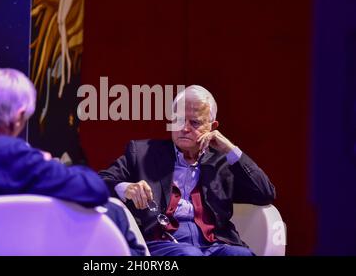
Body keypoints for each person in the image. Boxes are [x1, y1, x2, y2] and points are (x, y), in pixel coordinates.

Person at [0, 68, 145, 255]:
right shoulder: (11, 153)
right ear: (18, 116)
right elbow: (94, 189)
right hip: (4, 248)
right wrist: (47, 163)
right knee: (113, 216)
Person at [99, 85, 276, 256]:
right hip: (163, 245)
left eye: (195, 123)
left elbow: (264, 193)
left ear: (212, 127)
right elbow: (101, 182)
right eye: (179, 120)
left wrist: (230, 149)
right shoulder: (143, 153)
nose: (184, 128)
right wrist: (126, 188)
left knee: (240, 254)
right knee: (188, 253)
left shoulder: (223, 162)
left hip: (215, 245)